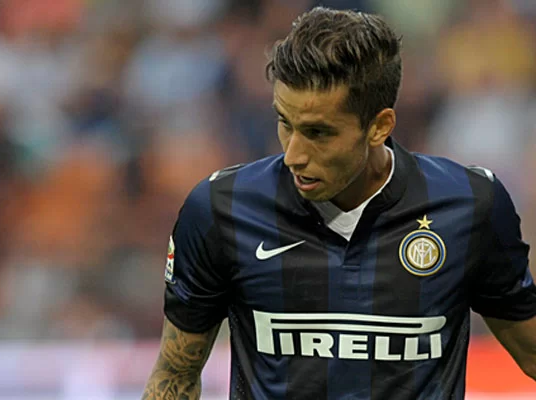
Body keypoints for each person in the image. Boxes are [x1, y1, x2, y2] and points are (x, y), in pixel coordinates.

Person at [142, 7, 536, 399]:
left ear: (379, 126)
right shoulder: (220, 210)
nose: (294, 155)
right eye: (285, 123)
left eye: (318, 133)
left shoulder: (469, 206)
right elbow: (176, 376)